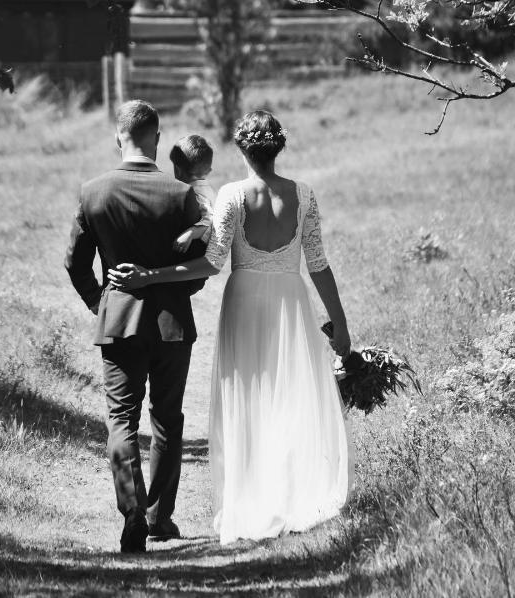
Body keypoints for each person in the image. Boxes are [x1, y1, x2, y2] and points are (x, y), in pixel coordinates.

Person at [108, 110, 353, 544]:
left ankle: (253, 501)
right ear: (278, 147)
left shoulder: (233, 196)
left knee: (247, 399)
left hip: (243, 303)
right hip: (290, 302)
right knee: (289, 395)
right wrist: (341, 324)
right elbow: (319, 265)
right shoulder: (306, 195)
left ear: (242, 148)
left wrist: (152, 275)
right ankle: (289, 495)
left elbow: (212, 262)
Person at [64, 100, 205, 553]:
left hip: (118, 322)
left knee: (121, 418)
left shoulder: (93, 192)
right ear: (157, 139)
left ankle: (132, 514)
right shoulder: (180, 195)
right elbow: (198, 271)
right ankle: (159, 517)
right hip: (172, 327)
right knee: (167, 420)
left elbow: (75, 263)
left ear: (118, 138)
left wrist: (101, 303)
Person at [169, 134, 215, 253]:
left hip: (200, 249)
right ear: (208, 170)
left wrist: (190, 233)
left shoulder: (196, 191)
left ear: (177, 170)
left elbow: (210, 218)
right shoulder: (205, 187)